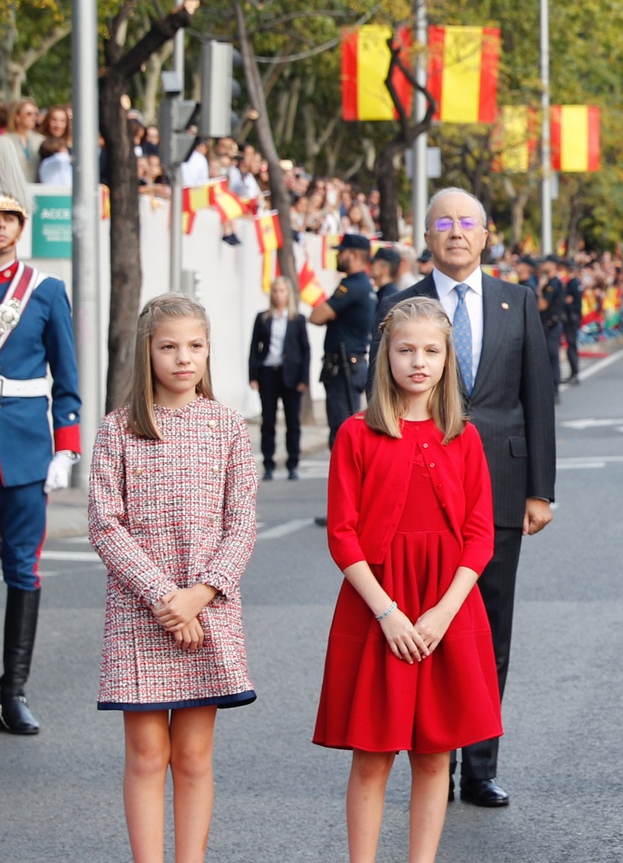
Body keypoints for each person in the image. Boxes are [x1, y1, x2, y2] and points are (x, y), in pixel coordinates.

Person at [372, 188, 555, 808]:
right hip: (416, 497)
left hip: (500, 491)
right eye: (443, 222)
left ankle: (480, 767)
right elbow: (378, 404)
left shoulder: (518, 301)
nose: (456, 232)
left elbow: (538, 398)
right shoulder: (397, 306)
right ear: (426, 234)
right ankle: (434, 764)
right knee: (428, 627)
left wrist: (541, 490)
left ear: (485, 234)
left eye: (467, 222)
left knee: (486, 633)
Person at [314, 297, 500, 863]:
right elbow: (342, 534)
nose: (418, 361)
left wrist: (443, 613)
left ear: (447, 358)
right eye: (405, 350)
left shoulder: (462, 436)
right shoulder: (355, 434)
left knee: (435, 753)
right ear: (384, 355)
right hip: (380, 609)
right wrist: (388, 612)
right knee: (372, 753)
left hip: (445, 607)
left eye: (431, 350)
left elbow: (480, 534)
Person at [87, 293, 258, 861]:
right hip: (142, 612)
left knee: (192, 755)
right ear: (147, 352)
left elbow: (241, 524)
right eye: (169, 347)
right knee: (143, 754)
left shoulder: (229, 428)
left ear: (209, 350)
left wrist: (200, 596)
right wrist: (167, 598)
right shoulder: (118, 430)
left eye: (195, 346)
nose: (183, 358)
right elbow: (105, 525)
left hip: (209, 610)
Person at [0, 148, 80, 735]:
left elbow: (67, 379)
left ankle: (13, 691)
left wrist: (65, 447)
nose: (0, 227)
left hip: (25, 447)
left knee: (22, 569)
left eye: (8, 218)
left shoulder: (45, 290)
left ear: (21, 226)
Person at [309, 233, 377, 449]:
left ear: (355, 255)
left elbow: (317, 316)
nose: (338, 256)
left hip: (344, 368)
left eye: (342, 252)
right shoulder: (364, 285)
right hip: (352, 365)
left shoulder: (351, 286)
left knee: (341, 433)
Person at [248, 275, 311, 481]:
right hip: (268, 372)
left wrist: (304, 378)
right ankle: (268, 464)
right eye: (275, 291)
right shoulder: (263, 317)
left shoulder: (297, 319)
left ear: (288, 294)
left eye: (282, 291)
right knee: (268, 420)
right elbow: (254, 347)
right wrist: (253, 374)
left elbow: (305, 350)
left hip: (291, 375)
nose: (278, 295)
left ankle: (293, 464)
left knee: (292, 421)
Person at [536, 256, 566, 399]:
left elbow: (542, 305)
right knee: (550, 356)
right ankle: (554, 386)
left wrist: (540, 290)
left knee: (550, 356)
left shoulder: (552, 284)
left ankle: (554, 388)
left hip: (551, 325)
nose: (543, 264)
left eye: (546, 262)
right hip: (551, 324)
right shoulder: (553, 282)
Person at [562, 261, 583, 383]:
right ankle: (573, 372)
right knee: (571, 344)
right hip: (573, 316)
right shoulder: (574, 282)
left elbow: (569, 299)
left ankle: (574, 373)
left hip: (572, 316)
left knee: (571, 344)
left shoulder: (573, 283)